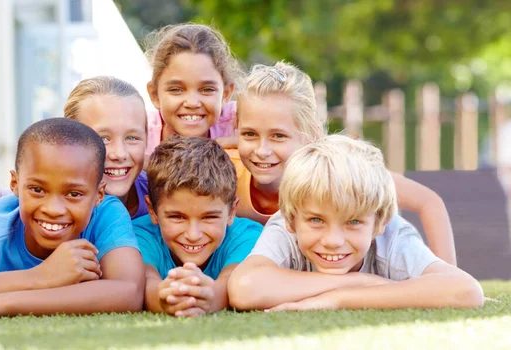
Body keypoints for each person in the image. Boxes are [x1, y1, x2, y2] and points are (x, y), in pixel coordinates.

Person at [0, 118, 144, 322]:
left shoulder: (106, 213)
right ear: (14, 184)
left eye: (74, 194)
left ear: (99, 195)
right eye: (37, 189)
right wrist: (37, 277)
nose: (53, 209)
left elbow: (129, 291)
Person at [229, 61, 457, 265]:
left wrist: (449, 274)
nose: (262, 150)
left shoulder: (340, 171)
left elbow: (429, 202)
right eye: (249, 134)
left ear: (310, 136)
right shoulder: (228, 172)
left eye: (278, 136)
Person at [0, 76, 149, 268]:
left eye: (132, 137)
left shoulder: (160, 192)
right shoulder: (18, 205)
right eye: (103, 138)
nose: (119, 152)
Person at [228, 134, 483, 311]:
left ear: (379, 223)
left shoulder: (392, 237)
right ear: (292, 220)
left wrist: (339, 299)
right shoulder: (284, 226)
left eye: (352, 222)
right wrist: (363, 281)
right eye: (317, 220)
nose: (333, 241)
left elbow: (466, 290)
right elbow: (244, 288)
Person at [133, 136, 262, 317]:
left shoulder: (248, 236)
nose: (193, 235)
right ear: (152, 210)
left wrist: (208, 298)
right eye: (177, 217)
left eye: (209, 217)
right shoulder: (139, 235)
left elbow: (231, 282)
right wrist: (166, 298)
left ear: (232, 210)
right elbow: (145, 283)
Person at [144, 23, 241, 155]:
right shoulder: (139, 134)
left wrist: (237, 142)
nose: (192, 103)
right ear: (154, 94)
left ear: (226, 94)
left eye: (207, 89)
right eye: (176, 90)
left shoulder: (240, 123)